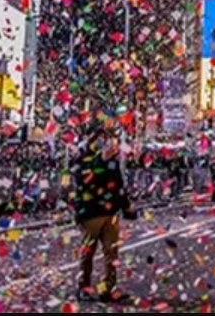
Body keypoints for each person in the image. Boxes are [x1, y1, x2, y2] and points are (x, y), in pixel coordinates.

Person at [70, 126, 136, 303]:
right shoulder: (83, 157)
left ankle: (108, 287)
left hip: (110, 213)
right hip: (90, 212)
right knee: (88, 251)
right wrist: (100, 160)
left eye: (107, 139)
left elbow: (118, 184)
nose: (105, 143)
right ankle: (83, 287)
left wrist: (126, 206)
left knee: (111, 252)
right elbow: (83, 181)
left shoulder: (112, 161)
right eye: (100, 139)